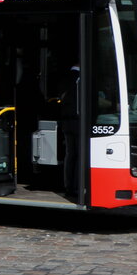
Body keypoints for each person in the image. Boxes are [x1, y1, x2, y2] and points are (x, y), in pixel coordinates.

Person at [59, 64, 81, 196]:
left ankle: (69, 185)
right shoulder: (80, 78)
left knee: (70, 154)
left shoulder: (65, 78)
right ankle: (77, 185)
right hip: (78, 121)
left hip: (66, 122)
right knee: (79, 154)